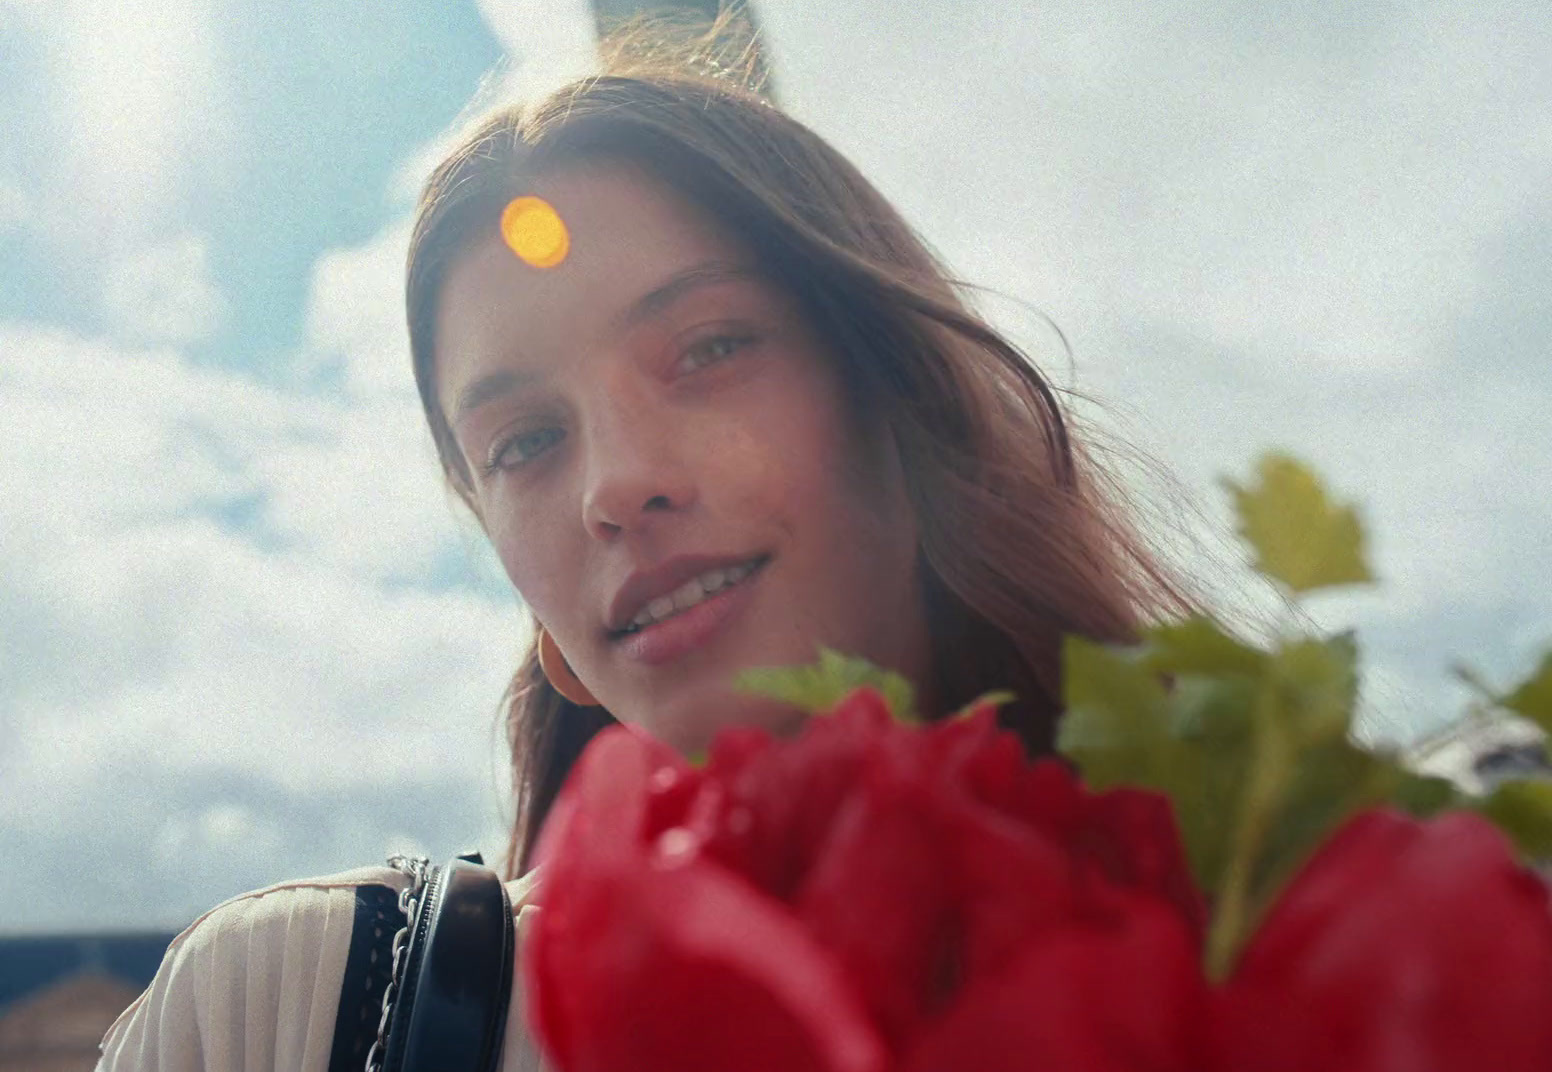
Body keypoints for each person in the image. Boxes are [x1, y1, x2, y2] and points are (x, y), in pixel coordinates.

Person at [97, 22, 1193, 1072]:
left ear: (905, 398)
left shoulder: (1287, 955)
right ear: (546, 625)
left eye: (710, 348)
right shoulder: (279, 1010)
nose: (614, 484)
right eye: (525, 440)